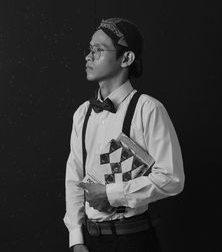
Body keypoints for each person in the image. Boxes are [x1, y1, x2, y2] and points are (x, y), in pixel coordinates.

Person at [63, 18, 185, 252]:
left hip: (133, 240)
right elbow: (74, 177)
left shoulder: (148, 109)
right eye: (89, 50)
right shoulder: (82, 113)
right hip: (90, 241)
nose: (88, 57)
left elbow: (172, 178)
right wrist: (76, 238)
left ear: (126, 58)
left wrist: (111, 194)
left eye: (98, 50)